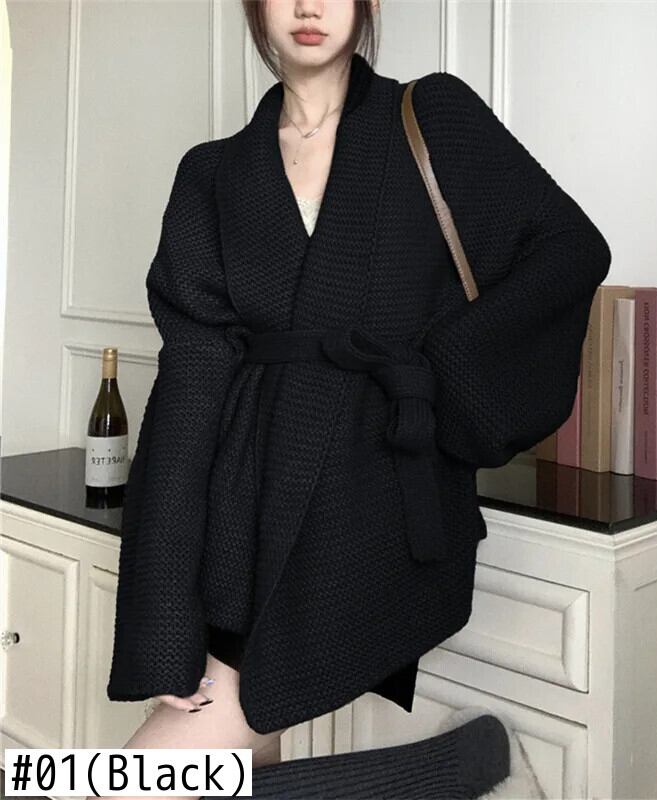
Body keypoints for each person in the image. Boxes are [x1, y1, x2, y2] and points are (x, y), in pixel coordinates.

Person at [103, 0, 611, 797]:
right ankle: (450, 769)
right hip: (240, 524)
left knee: (115, 785)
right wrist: (162, 621)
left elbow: (570, 251)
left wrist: (442, 370)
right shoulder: (212, 174)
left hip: (376, 512)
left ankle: (444, 767)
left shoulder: (431, 118)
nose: (309, 6)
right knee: (213, 771)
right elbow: (189, 390)